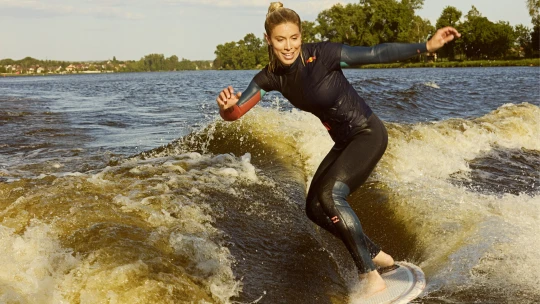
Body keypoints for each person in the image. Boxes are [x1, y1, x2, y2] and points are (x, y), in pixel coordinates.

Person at [216, 1, 460, 298]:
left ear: (301, 35)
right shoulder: (269, 77)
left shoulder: (323, 54)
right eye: (280, 40)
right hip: (345, 142)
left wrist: (426, 46)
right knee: (314, 209)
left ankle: (370, 275)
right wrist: (227, 109)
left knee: (331, 195)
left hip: (368, 134)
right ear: (268, 40)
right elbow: (236, 113)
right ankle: (379, 257)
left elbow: (375, 53)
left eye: (294, 38)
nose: (289, 46)